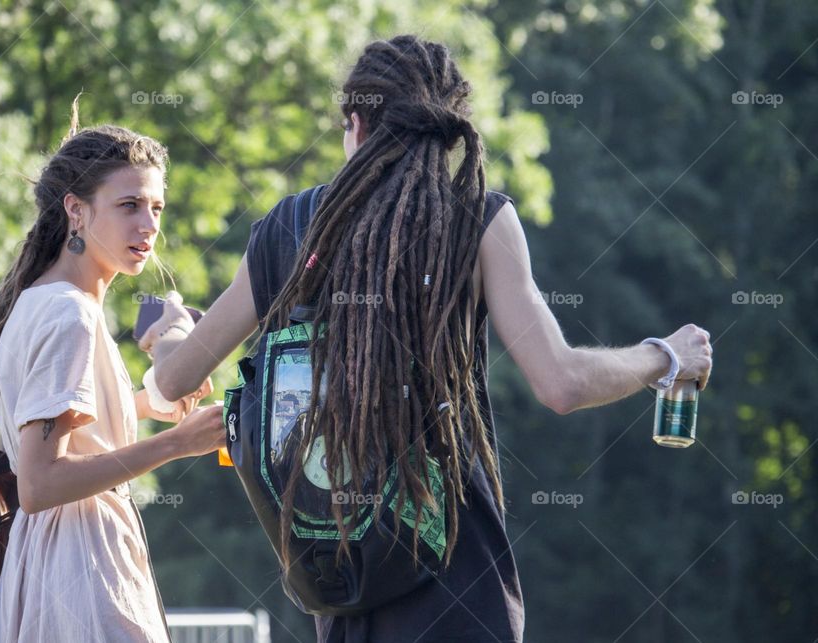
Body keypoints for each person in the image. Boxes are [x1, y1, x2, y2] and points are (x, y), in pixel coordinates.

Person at [141, 35, 714, 642]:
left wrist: (170, 331)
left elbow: (176, 381)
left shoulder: (287, 228)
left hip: (342, 593)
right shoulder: (478, 220)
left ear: (355, 124)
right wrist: (665, 356)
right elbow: (562, 384)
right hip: (462, 592)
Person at [0, 103, 225, 642]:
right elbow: (39, 484)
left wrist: (146, 406)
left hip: (47, 566)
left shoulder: (44, 301)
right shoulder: (70, 313)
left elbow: (68, 433)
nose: (149, 225)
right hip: (82, 568)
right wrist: (177, 443)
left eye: (157, 207)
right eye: (129, 205)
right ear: (76, 212)